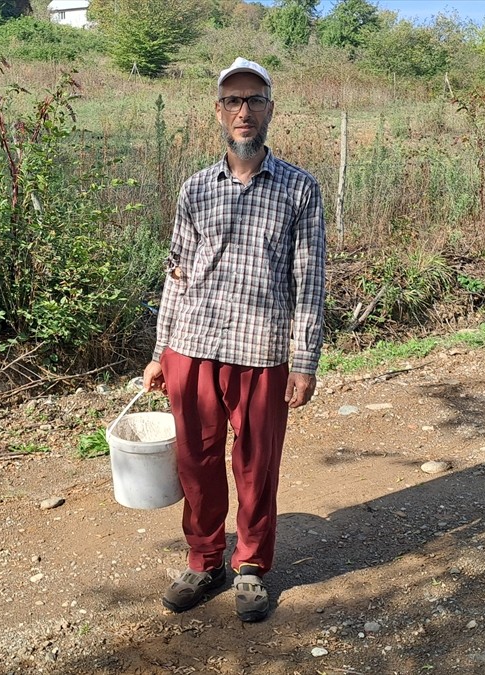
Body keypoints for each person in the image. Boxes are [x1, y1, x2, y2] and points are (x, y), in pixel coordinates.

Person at [141, 57, 326, 623]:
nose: (243, 111)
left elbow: (310, 280)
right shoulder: (196, 189)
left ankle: (250, 566)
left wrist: (304, 361)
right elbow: (176, 273)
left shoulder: (299, 189)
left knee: (256, 462)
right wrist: (157, 354)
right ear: (218, 112)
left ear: (271, 109)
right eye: (232, 101)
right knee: (194, 460)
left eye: (254, 100)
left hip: (263, 350)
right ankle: (204, 560)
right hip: (192, 345)